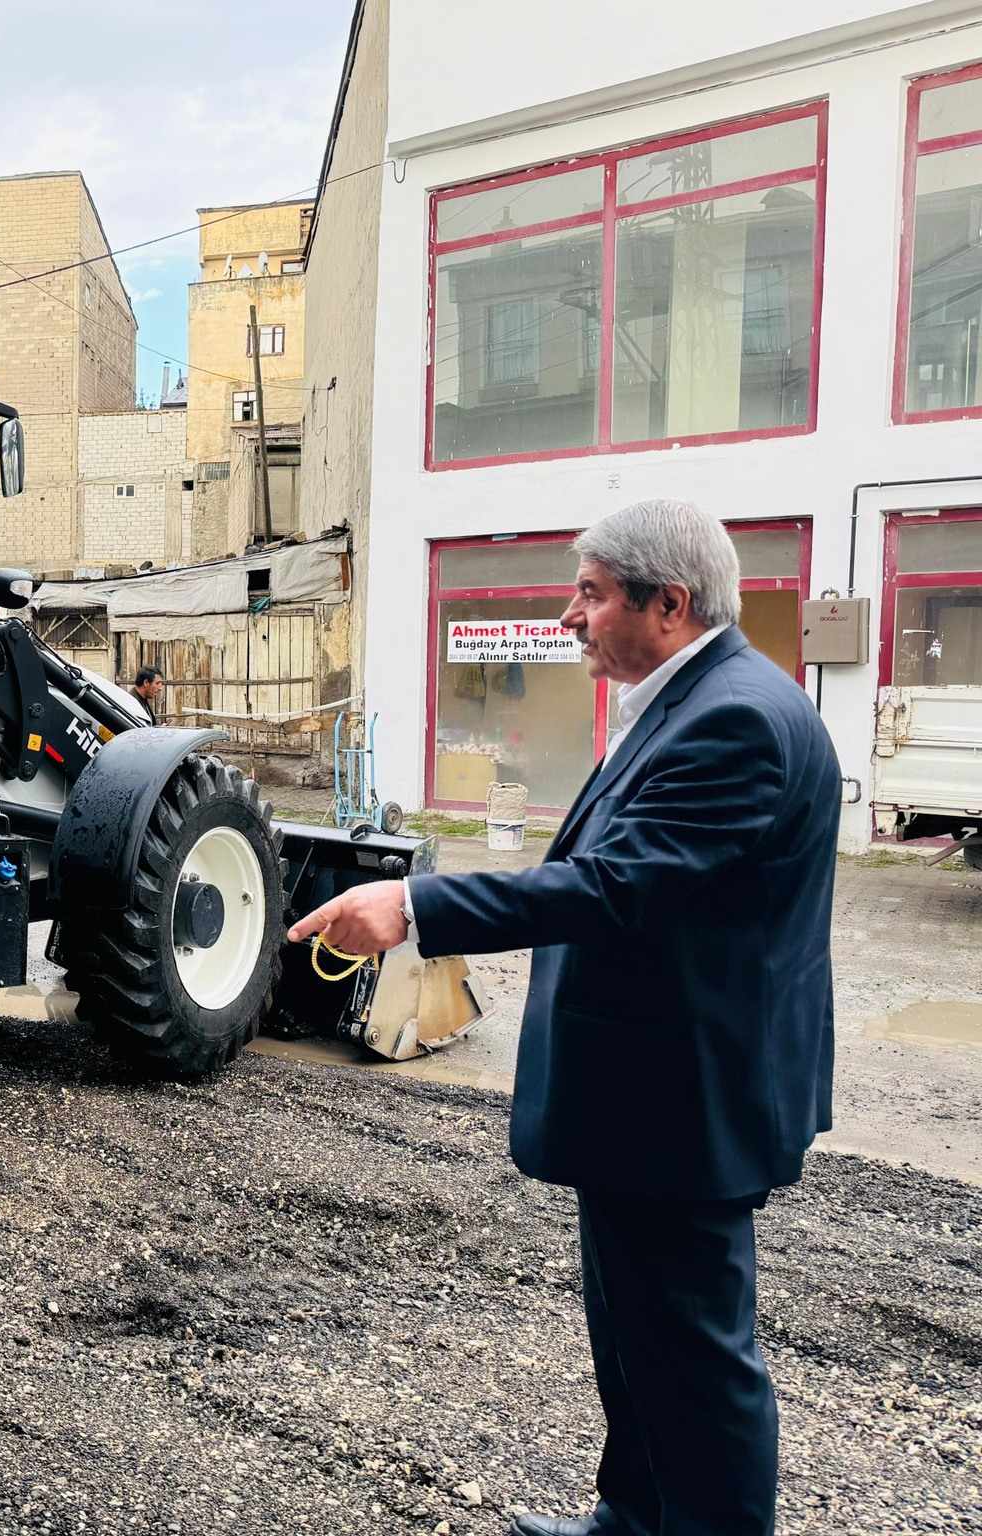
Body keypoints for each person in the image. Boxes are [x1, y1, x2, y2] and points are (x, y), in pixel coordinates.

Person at [288, 500, 838, 1536]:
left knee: (691, 1360)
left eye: (587, 593)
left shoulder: (732, 718)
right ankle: (629, 1519)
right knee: (633, 1335)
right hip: (653, 1097)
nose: (565, 616)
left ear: (665, 604)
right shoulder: (693, 697)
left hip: (685, 1103)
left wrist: (412, 905)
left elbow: (612, 887)